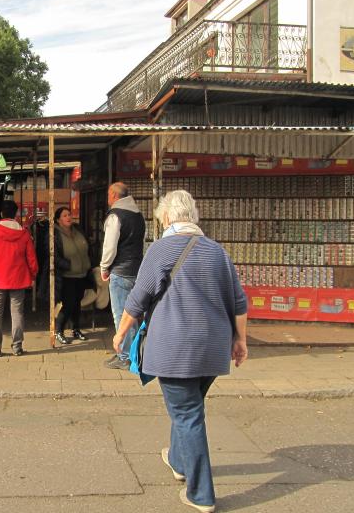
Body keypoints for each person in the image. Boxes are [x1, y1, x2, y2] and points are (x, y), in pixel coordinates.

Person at [113, 190, 248, 512]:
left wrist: (120, 334)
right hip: (213, 349)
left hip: (175, 349)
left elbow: (137, 298)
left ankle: (201, 494)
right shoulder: (217, 252)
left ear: (166, 218)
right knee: (188, 407)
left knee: (187, 414)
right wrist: (240, 341)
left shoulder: (161, 250)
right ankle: (177, 459)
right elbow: (239, 301)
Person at [0, 200, 38, 357]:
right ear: (16, 214)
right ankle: (17, 347)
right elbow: (31, 258)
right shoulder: (24, 233)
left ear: (1, 214)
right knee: (17, 312)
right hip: (18, 277)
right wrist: (33, 275)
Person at [100, 182, 146, 370]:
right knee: (134, 314)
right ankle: (131, 353)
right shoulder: (138, 215)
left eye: (108, 194)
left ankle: (125, 356)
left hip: (120, 271)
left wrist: (104, 267)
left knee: (122, 315)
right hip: (137, 269)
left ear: (113, 195)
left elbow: (110, 246)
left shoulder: (115, 216)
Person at [42, 206, 91, 345]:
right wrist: (69, 265)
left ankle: (76, 329)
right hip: (66, 276)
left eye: (69, 214)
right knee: (68, 304)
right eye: (64, 215)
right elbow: (52, 256)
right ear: (58, 220)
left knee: (77, 303)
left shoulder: (78, 230)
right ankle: (59, 331)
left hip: (81, 274)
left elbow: (87, 247)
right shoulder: (54, 234)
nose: (68, 217)